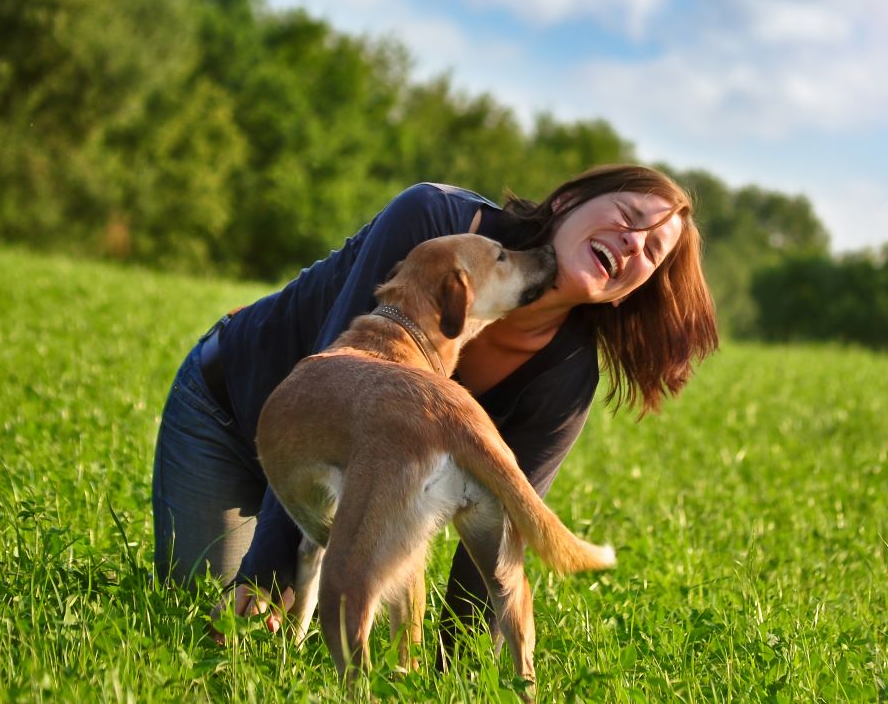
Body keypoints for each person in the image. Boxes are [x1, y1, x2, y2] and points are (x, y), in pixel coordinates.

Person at [151, 163, 718, 657]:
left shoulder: (565, 377)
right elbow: (330, 366)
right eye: (628, 216)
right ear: (568, 201)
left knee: (307, 645)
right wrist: (270, 574)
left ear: (632, 289)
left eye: (651, 250)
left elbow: (494, 537)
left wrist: (453, 675)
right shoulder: (436, 220)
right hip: (230, 415)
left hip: (353, 488)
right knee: (208, 627)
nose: (631, 243)